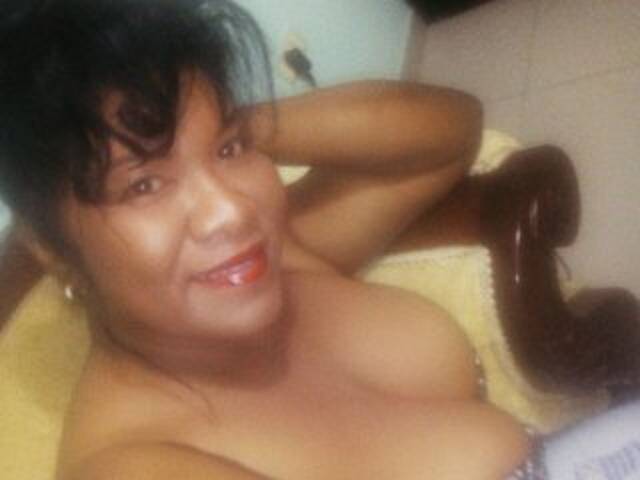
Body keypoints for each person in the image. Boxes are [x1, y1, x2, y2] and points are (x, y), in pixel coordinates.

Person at [0, 0, 533, 478]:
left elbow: (450, 133)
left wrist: (224, 125)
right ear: (52, 249)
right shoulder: (137, 465)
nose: (232, 211)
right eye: (144, 185)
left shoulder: (268, 259)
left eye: (230, 151)